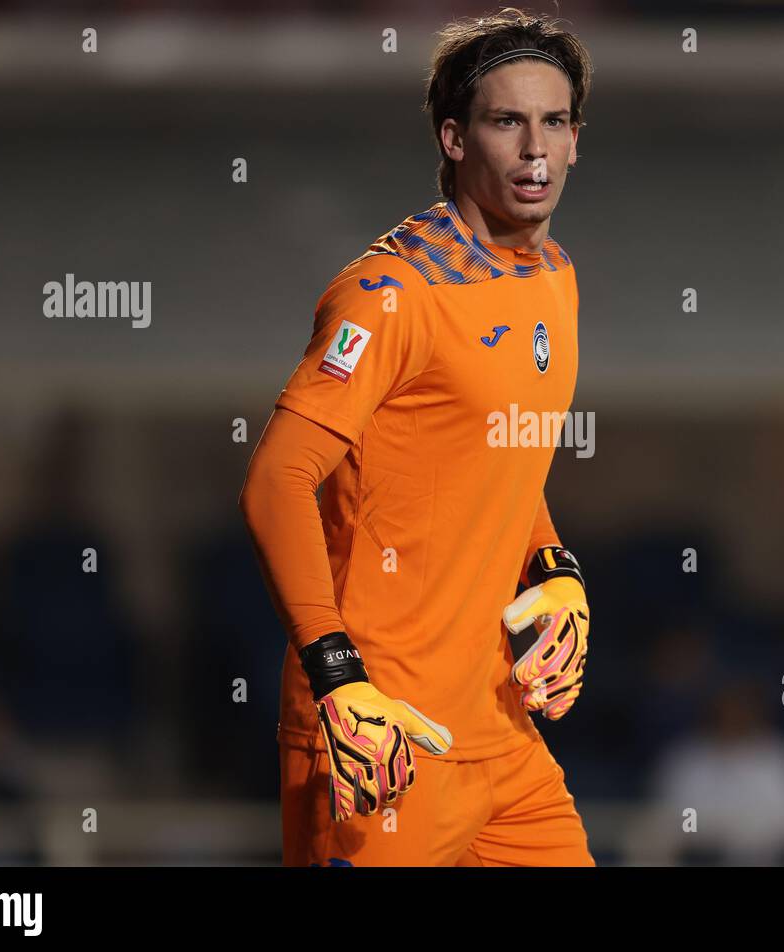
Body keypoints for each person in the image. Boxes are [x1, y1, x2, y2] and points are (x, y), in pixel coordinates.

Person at [239, 7, 596, 866]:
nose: (534, 149)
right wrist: (336, 678)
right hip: (384, 733)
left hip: (501, 733)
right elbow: (277, 480)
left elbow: (486, 451)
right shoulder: (390, 295)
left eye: (553, 122)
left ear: (578, 140)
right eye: (507, 121)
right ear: (453, 138)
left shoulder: (554, 277)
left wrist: (553, 567)